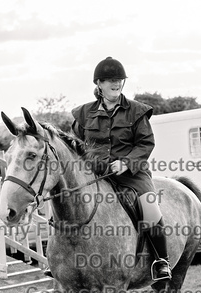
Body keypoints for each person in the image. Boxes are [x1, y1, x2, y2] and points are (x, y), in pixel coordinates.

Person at [70, 57, 171, 281]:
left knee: (150, 207)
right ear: (99, 84)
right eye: (110, 80)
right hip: (96, 174)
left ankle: (160, 260)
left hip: (132, 174)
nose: (116, 83)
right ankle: (64, 260)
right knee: (70, 202)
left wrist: (126, 162)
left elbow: (146, 143)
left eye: (119, 80)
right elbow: (77, 143)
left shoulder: (137, 111)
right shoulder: (84, 114)